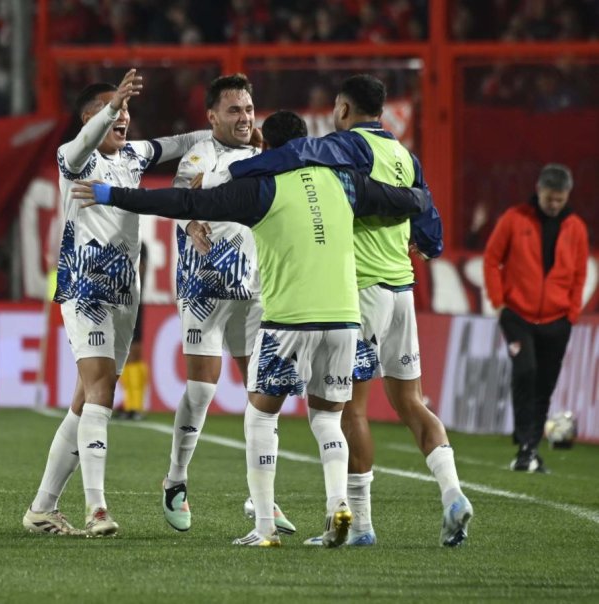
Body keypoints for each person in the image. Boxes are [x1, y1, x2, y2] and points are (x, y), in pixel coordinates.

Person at [73, 113, 433, 547]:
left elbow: (183, 203)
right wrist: (421, 201)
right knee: (327, 419)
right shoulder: (346, 182)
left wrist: (111, 194)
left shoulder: (263, 187)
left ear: (268, 147)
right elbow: (399, 199)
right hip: (344, 320)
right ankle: (339, 504)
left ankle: (264, 526)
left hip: (287, 321)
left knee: (260, 416)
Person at [224, 75, 472, 548]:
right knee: (412, 402)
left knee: (347, 411)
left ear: (342, 108)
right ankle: (452, 492)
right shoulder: (405, 156)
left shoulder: (347, 147)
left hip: (360, 293)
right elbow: (432, 237)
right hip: (402, 291)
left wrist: (239, 170)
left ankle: (359, 524)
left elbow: (296, 155)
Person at [22, 69, 211, 538]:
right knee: (102, 391)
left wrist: (224, 132)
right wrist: (111, 106)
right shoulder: (73, 157)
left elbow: (180, 142)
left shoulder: (133, 155)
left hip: (127, 292)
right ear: (90, 117)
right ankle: (97, 508)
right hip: (85, 288)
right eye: (113, 109)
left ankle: (42, 508)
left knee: (86, 399)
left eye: (127, 109)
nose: (123, 115)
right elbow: (86, 139)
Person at [161, 74, 295, 536]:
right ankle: (175, 480)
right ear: (212, 116)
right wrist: (191, 222)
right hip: (204, 289)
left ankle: (263, 498)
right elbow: (181, 200)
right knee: (202, 391)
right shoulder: (200, 156)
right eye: (234, 110)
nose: (244, 117)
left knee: (263, 393)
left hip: (256, 291)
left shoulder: (264, 156)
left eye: (249, 109)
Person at [483, 163, 588, 473]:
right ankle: (524, 438)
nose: (554, 204)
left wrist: (572, 312)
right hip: (517, 314)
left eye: (560, 199)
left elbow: (580, 272)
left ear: (567, 195)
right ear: (539, 191)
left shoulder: (576, 228)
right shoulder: (514, 219)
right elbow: (492, 259)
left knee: (545, 384)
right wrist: (499, 302)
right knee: (525, 371)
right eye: (549, 198)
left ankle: (529, 448)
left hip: (558, 319)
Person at [118, 243, 148, 421]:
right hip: (118, 305)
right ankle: (129, 404)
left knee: (134, 354)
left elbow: (139, 272)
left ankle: (136, 406)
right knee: (124, 356)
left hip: (133, 304)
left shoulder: (138, 244)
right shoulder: (116, 243)